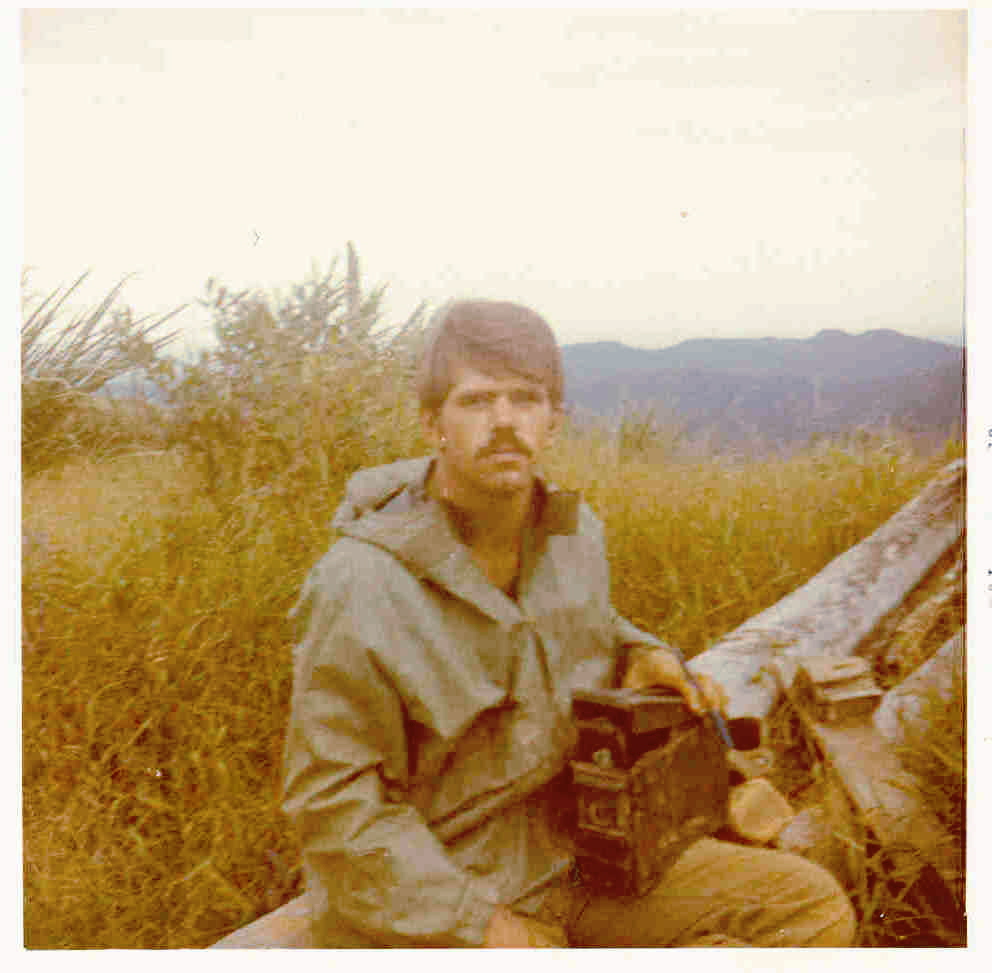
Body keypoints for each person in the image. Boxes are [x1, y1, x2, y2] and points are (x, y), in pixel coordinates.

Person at [214, 299, 856, 948]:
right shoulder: (360, 582)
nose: (504, 422)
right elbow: (334, 804)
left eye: (525, 398)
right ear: (432, 423)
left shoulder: (571, 535)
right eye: (476, 400)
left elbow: (589, 624)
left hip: (571, 856)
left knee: (808, 907)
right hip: (436, 894)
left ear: (553, 421)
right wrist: (480, 924)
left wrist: (641, 653)